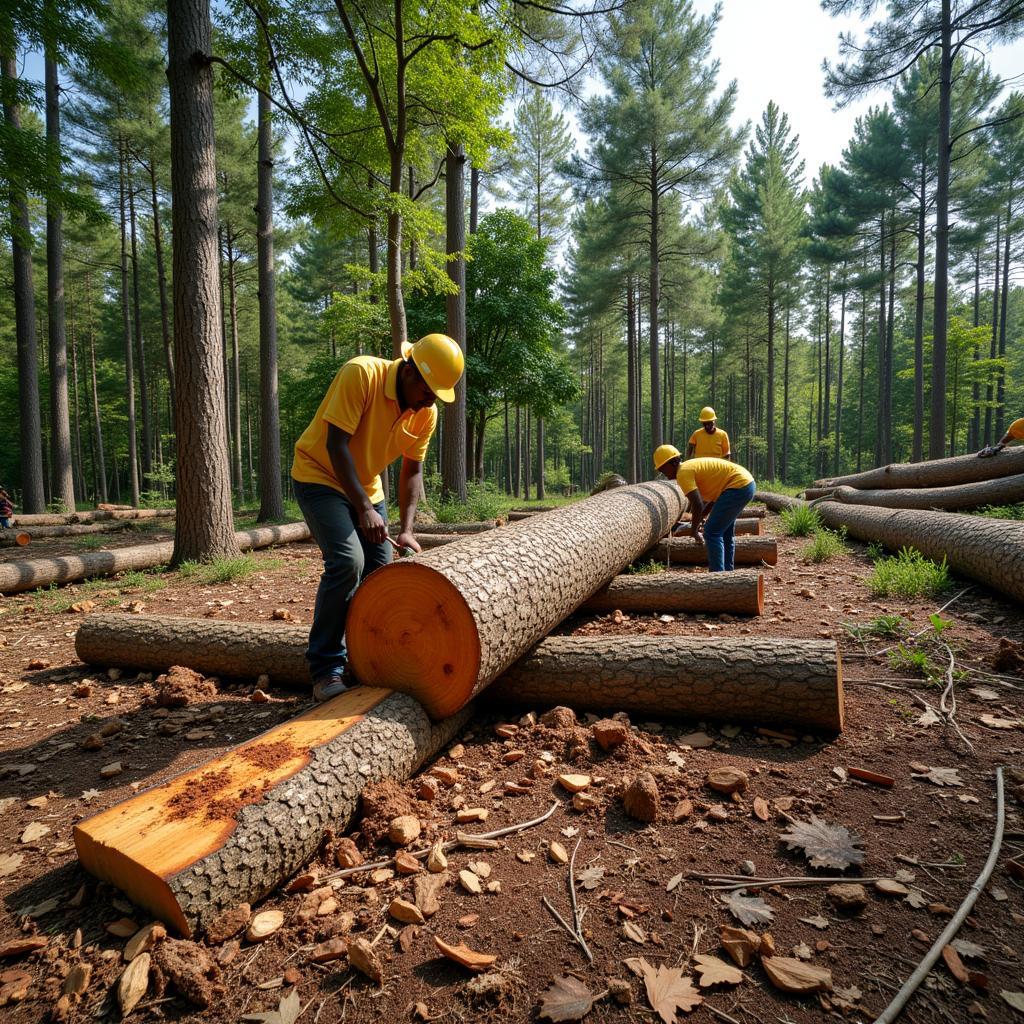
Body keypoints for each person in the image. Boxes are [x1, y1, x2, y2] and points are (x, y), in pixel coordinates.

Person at [291, 333, 464, 700]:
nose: (430, 401)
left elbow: (412, 472)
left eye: (437, 396)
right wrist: (364, 510)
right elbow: (335, 445)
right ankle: (325, 669)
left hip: (366, 486)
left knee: (381, 574)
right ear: (409, 371)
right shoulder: (361, 375)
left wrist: (407, 530)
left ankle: (369, 658)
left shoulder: (425, 415)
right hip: (319, 475)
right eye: (428, 390)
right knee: (347, 561)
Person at [654, 445, 756, 573]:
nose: (664, 474)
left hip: (738, 486)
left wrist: (694, 531)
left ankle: (717, 577)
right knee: (725, 533)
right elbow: (714, 498)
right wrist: (701, 517)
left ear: (673, 462)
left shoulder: (683, 473)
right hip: (745, 484)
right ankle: (728, 575)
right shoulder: (689, 467)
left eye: (664, 469)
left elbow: (697, 504)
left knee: (711, 532)